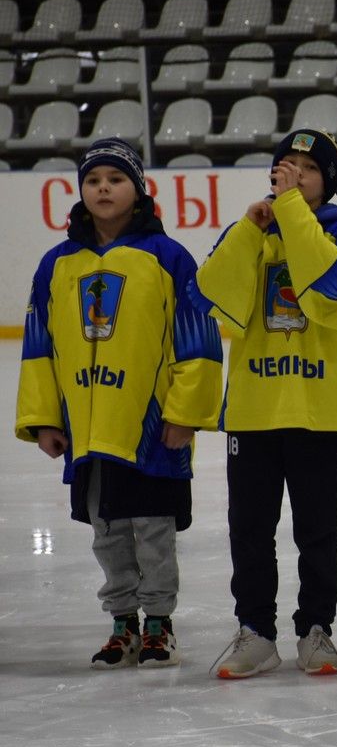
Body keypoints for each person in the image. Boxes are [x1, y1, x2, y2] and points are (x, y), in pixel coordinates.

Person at [15, 138, 222, 669]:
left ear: (139, 190)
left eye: (115, 179)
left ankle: (158, 623)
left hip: (151, 426)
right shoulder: (56, 264)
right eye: (93, 180)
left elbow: (197, 342)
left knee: (153, 529)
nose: (103, 188)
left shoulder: (169, 257)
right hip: (87, 429)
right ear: (81, 192)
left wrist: (185, 413)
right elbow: (40, 347)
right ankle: (121, 623)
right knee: (106, 531)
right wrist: (43, 420)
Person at [192, 129, 337, 678]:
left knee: (318, 531)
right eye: (284, 166)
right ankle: (256, 631)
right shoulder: (251, 231)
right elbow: (210, 291)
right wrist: (249, 228)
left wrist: (290, 210)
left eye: (306, 169)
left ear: (328, 181)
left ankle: (316, 629)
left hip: (320, 410)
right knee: (250, 528)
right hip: (254, 410)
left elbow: (332, 287)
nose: (291, 175)